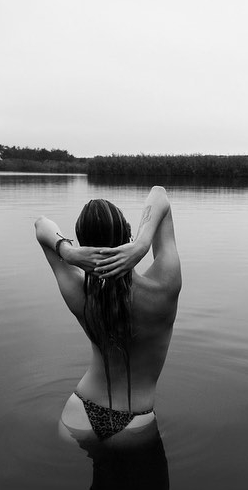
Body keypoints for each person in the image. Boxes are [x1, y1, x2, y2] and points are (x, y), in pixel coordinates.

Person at [34, 186, 181, 445]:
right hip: (135, 420)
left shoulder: (79, 293)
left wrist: (67, 252)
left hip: (79, 411)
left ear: (83, 246)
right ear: (127, 233)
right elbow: (159, 195)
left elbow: (41, 225)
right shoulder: (163, 288)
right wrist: (142, 245)